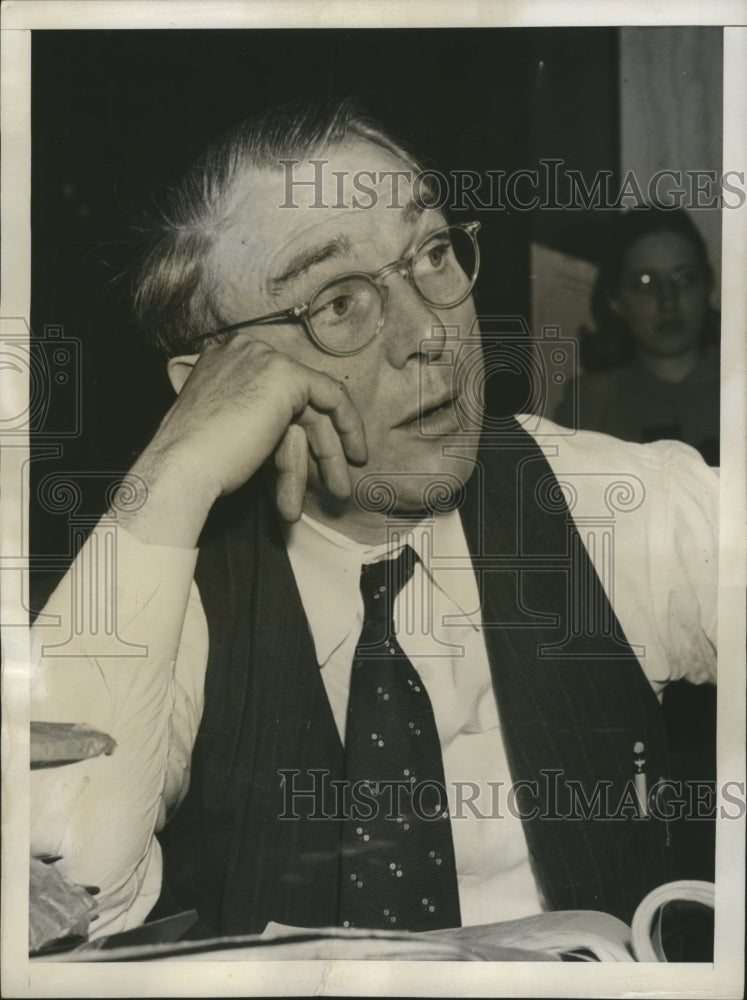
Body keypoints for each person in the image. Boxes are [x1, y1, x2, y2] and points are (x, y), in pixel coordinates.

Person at [30, 100, 717, 946]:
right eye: (338, 302)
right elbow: (60, 883)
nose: (431, 332)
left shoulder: (602, 500)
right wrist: (174, 476)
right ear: (213, 385)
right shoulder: (170, 585)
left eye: (431, 252)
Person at [554, 205, 720, 465]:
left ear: (708, 284)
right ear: (615, 299)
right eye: (644, 282)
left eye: (684, 278)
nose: (668, 301)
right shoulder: (591, 403)